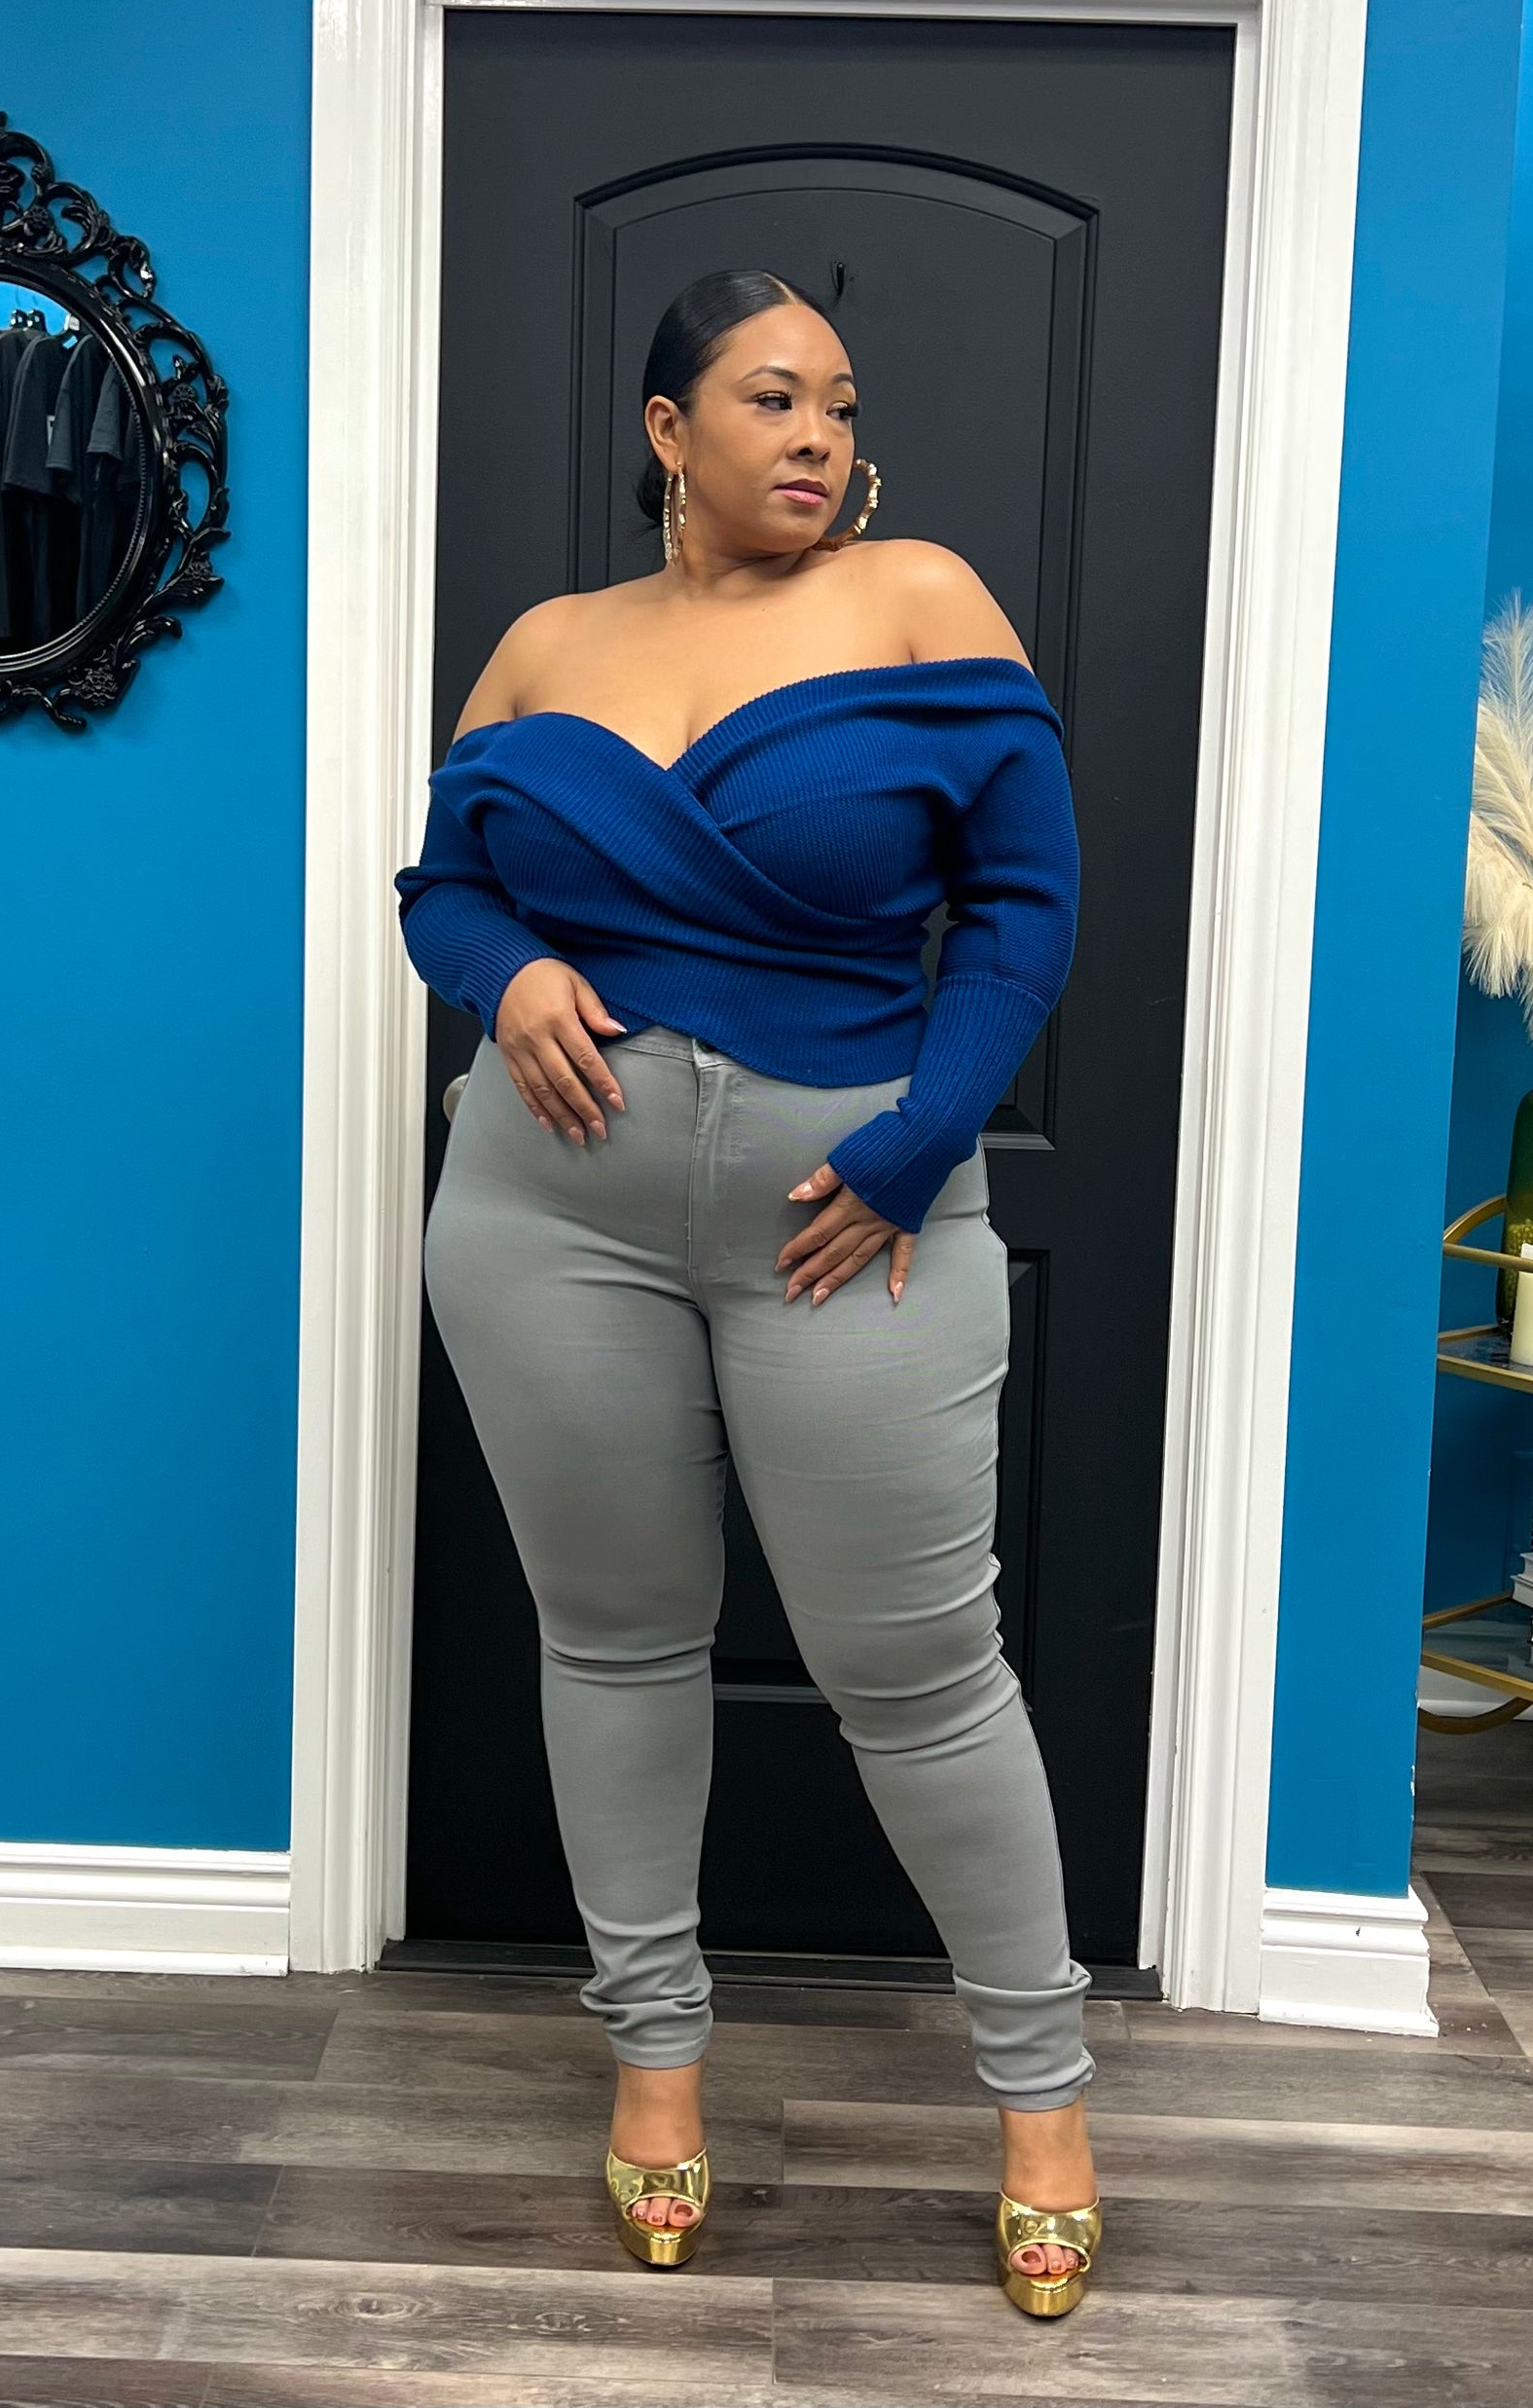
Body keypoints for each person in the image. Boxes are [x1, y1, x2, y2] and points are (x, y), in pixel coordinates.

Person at [393, 269, 1099, 2317]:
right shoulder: (547, 644)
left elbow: (1025, 906)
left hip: (844, 1212)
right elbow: (446, 882)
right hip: (548, 1209)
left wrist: (917, 1140)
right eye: (771, 396)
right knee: (615, 1641)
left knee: (924, 1672)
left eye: (839, 404)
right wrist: (507, 972)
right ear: (666, 427)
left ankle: (1044, 2101)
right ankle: (653, 2061)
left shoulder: (920, 600)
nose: (815, 434)